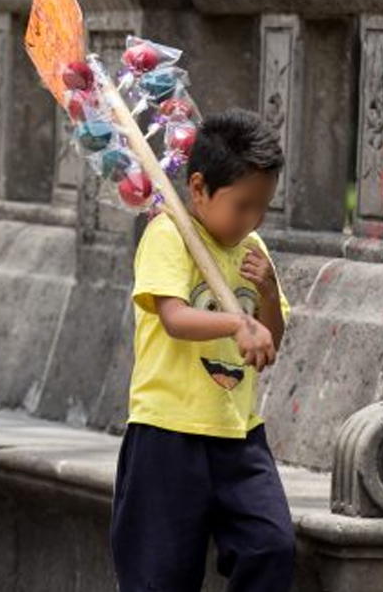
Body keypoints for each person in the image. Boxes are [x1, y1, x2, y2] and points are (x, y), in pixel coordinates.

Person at [111, 108, 295, 592]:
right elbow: (175, 317)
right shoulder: (168, 233)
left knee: (271, 546)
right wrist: (237, 322)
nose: (252, 219)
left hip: (239, 433)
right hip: (168, 434)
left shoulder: (253, 249)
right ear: (198, 187)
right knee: (161, 577)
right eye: (242, 205)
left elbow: (270, 339)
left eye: (262, 207)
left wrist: (269, 294)